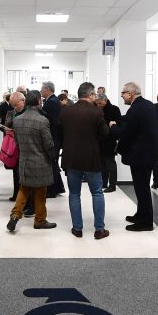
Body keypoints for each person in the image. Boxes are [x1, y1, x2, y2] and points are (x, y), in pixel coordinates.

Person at [58, 82, 110, 239]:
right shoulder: (96, 111)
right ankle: (99, 229)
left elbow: (60, 135)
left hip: (71, 158)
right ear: (91, 95)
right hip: (91, 158)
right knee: (97, 192)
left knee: (74, 194)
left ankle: (77, 229)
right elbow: (105, 133)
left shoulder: (65, 111)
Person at [108, 82, 158, 232]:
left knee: (142, 188)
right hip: (148, 154)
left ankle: (146, 222)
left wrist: (113, 126)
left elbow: (124, 132)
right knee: (141, 187)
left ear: (130, 93)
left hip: (141, 156)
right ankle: (141, 214)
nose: (122, 96)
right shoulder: (147, 105)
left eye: (123, 93)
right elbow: (133, 122)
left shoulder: (136, 109)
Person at [6, 90, 57, 232]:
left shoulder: (17, 120)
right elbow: (48, 144)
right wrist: (53, 157)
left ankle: (15, 215)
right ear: (38, 102)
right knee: (40, 192)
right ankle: (40, 220)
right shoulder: (42, 120)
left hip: (24, 161)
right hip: (41, 162)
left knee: (24, 189)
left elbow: (17, 142)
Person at [40, 81, 66, 198]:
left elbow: (52, 123)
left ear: (47, 89)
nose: (41, 91)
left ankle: (52, 190)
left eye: (42, 89)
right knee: (53, 163)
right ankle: (58, 187)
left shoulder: (51, 102)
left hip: (53, 137)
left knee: (51, 163)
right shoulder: (52, 100)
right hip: (55, 137)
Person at [94, 93, 121, 193]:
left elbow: (118, 124)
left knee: (110, 163)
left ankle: (112, 185)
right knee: (102, 163)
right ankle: (104, 182)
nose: (98, 105)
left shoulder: (114, 109)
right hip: (99, 140)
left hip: (109, 140)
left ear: (105, 101)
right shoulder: (97, 109)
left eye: (100, 103)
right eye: (97, 103)